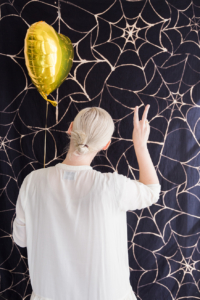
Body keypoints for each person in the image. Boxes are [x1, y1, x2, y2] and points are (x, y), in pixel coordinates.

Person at [12, 105, 161, 300]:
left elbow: (21, 240)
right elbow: (152, 191)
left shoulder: (32, 181)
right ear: (106, 144)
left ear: (70, 128)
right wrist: (140, 145)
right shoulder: (112, 186)